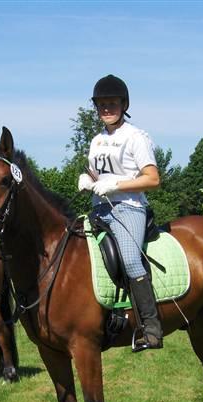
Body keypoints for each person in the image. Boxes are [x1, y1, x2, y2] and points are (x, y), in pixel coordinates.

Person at [78, 74, 163, 351]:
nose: (106, 109)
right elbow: (97, 174)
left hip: (128, 207)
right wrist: (89, 181)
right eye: (101, 104)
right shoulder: (96, 141)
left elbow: (152, 179)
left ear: (123, 104)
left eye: (112, 103)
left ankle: (151, 328)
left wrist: (117, 185)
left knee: (129, 259)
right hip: (99, 209)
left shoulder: (135, 137)